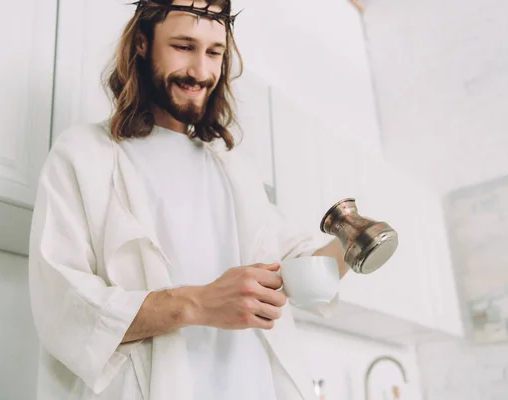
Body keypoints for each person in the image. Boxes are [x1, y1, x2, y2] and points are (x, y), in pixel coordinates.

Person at [28, 1, 350, 399]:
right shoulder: (83, 155)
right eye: (184, 46)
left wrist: (355, 243)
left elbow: (303, 276)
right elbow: (62, 306)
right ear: (143, 43)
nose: (201, 71)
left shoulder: (234, 170)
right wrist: (197, 303)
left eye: (214, 52)